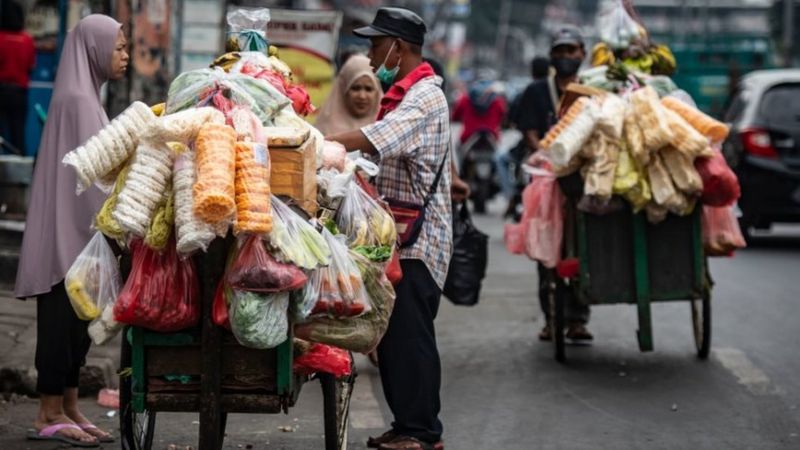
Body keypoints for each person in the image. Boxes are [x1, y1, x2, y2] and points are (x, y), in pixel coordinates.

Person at [327, 7, 451, 450]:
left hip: (419, 240)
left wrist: (315, 142)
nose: (371, 52)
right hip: (399, 236)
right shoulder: (406, 91)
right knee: (395, 338)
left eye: (377, 44)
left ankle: (422, 432)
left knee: (412, 338)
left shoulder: (425, 97)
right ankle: (405, 426)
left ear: (398, 47)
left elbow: (381, 137)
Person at [15, 14, 128, 447]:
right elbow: (97, 176)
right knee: (61, 326)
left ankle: (69, 405)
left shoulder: (85, 97)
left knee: (78, 327)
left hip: (75, 232)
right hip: (67, 238)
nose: (125, 56)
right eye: (118, 48)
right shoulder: (79, 102)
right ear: (95, 50)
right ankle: (48, 412)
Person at [514, 24, 593, 342]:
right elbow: (529, 129)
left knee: (583, 246)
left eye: (570, 51)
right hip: (546, 180)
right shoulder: (537, 91)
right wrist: (545, 154)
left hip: (583, 182)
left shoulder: (591, 88)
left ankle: (578, 319)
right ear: (551, 56)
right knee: (547, 250)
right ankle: (551, 318)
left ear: (582, 54)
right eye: (559, 52)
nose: (565, 58)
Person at [0, 0, 36, 154]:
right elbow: (31, 66)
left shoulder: (0, 38)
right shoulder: (27, 40)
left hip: (1, 90)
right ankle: (21, 169)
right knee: (18, 132)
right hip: (19, 93)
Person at [315, 53, 382, 136]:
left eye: (368, 89)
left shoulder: (386, 129)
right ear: (343, 89)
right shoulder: (321, 133)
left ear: (377, 92)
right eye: (355, 88)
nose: (362, 96)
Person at [451, 78, 507, 146]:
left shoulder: (465, 99)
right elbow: (503, 117)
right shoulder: (498, 101)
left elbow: (454, 116)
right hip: (491, 137)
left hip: (468, 137)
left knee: (456, 146)